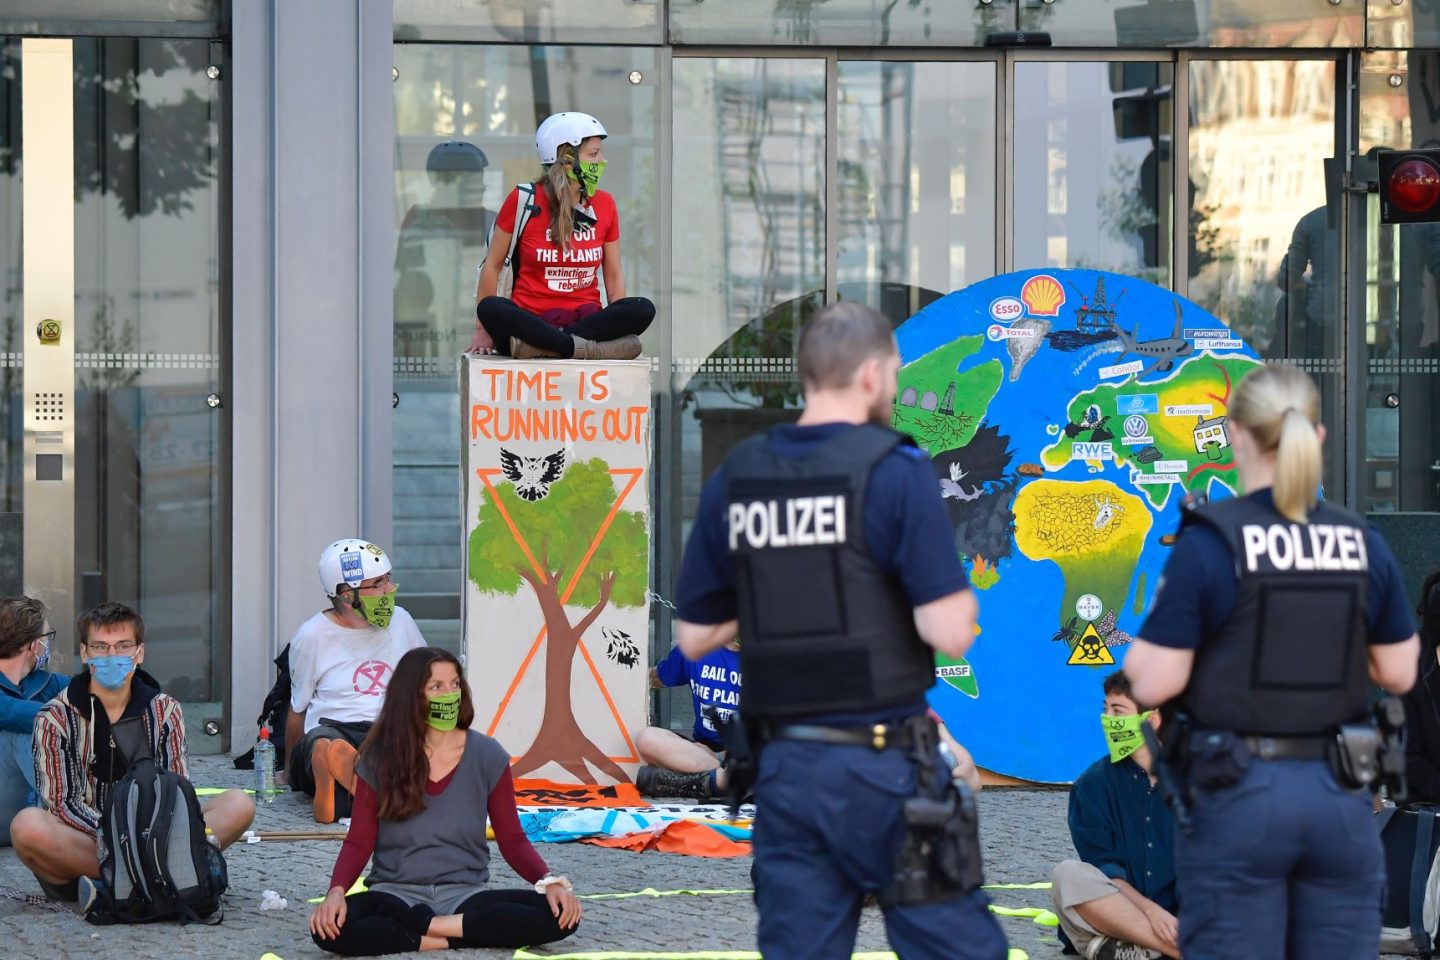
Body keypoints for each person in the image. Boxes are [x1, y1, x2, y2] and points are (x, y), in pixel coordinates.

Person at [673, 302, 1008, 960]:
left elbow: (694, 637)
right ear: (875, 375)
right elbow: (948, 630)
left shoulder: (738, 477)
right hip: (886, 768)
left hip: (786, 774)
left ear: (806, 377)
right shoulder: (897, 468)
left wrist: (783, 584)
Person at [1123, 364, 1420, 959]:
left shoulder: (1211, 541)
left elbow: (1150, 681)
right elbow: (1401, 672)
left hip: (1239, 800)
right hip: (1340, 798)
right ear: (1320, 435)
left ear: (1235, 433)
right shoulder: (1362, 542)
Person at [310, 647, 581, 955]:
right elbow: (359, 841)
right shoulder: (380, 758)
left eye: (455, 684)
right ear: (412, 696)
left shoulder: (488, 755)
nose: (449, 694)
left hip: (465, 895)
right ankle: (455, 933)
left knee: (561, 917)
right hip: (394, 894)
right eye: (436, 687)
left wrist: (549, 881)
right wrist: (335, 893)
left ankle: (425, 928)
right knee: (328, 930)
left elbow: (513, 839)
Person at [9, 602, 254, 901]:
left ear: (140, 653)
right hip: (89, 840)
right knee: (28, 826)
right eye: (101, 647)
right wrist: (119, 834)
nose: (113, 656)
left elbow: (177, 787)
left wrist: (148, 833)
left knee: (238, 804)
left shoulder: (165, 709)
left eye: (123, 646)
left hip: (156, 834)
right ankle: (162, 877)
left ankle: (124, 884)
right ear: (85, 653)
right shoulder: (54, 717)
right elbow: (63, 803)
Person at [468, 111, 654, 361]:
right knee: (492, 308)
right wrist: (481, 330)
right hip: (528, 321)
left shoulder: (606, 204)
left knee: (642, 308)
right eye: (594, 154)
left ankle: (548, 346)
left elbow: (613, 274)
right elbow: (492, 266)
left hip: (585, 321)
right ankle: (578, 349)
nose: (602, 161)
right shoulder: (523, 199)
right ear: (567, 160)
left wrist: (617, 324)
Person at [287, 539, 427, 823]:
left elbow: (426, 680)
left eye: (388, 579)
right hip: (332, 730)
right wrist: (291, 771)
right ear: (346, 594)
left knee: (396, 754)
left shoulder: (402, 620)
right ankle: (337, 768)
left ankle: (347, 789)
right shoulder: (312, 635)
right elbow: (297, 709)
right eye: (377, 584)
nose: (389, 589)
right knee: (322, 745)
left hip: (387, 730)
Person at [1051, 672, 1177, 960]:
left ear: (1152, 720)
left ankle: (1132, 949)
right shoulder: (1093, 783)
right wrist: (1151, 911)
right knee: (1067, 875)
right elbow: (1103, 865)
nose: (1107, 719)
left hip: (1186, 914)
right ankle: (1178, 950)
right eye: (1105, 709)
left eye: (1117, 711)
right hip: (1120, 909)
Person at [633, 641, 741, 799]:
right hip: (704, 754)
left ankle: (711, 782)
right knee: (647, 739)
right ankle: (720, 779)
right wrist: (620, 678)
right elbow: (655, 678)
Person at [0, 597, 66, 845]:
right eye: (47, 635)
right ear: (33, 644)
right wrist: (66, 716)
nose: (48, 643)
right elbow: (8, 711)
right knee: (28, 730)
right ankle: (71, 819)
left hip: (23, 818)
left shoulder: (48, 683)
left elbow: (97, 698)